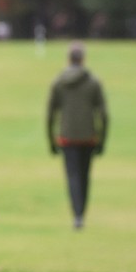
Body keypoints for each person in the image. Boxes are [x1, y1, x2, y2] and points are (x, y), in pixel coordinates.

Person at [47, 42, 107, 230]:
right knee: (84, 176)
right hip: (88, 136)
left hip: (67, 137)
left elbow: (50, 114)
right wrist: (102, 139)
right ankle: (81, 213)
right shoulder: (93, 82)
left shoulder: (59, 82)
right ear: (82, 59)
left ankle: (77, 214)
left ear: (69, 58)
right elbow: (103, 114)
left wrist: (51, 140)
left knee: (72, 176)